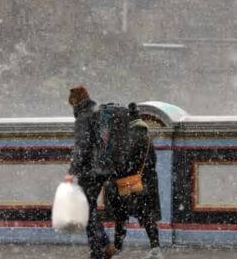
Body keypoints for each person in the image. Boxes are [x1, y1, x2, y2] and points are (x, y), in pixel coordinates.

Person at [64, 85, 116, 259]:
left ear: (75, 101)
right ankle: (103, 246)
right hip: (103, 169)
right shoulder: (98, 115)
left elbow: (82, 146)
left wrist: (72, 170)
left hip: (90, 171)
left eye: (71, 103)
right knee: (90, 208)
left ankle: (100, 249)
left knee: (86, 210)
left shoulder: (83, 118)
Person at [105, 102, 163, 259]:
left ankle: (117, 249)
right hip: (144, 183)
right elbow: (151, 161)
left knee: (121, 217)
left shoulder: (130, 137)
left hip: (130, 184)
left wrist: (115, 174)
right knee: (147, 217)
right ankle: (155, 248)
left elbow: (125, 162)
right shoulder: (146, 136)